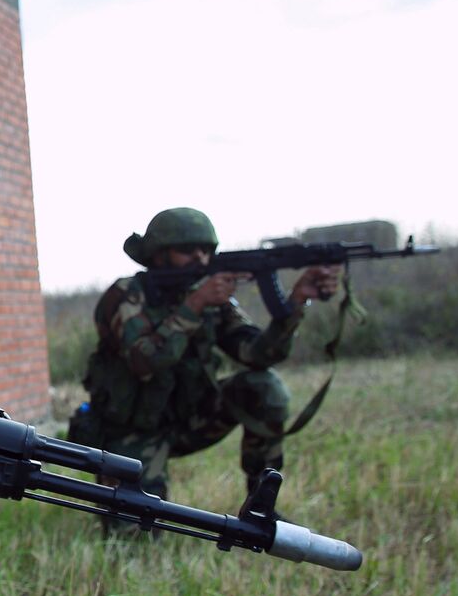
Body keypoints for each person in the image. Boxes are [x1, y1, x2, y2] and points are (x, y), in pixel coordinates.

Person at [70, 207, 340, 505]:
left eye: (206, 250)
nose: (199, 258)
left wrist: (296, 303)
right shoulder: (127, 295)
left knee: (264, 387)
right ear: (159, 254)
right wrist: (194, 305)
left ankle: (261, 506)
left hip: (191, 420)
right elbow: (144, 362)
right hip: (132, 431)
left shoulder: (214, 301)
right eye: (187, 250)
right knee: (136, 532)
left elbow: (258, 355)